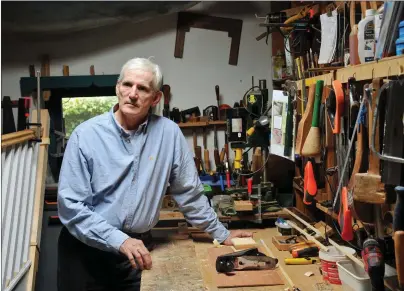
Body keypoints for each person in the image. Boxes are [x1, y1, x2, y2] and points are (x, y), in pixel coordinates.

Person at [57, 57, 253, 291]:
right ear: (117, 88)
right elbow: (71, 206)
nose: (132, 94)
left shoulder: (168, 134)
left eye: (142, 88)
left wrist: (222, 234)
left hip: (134, 254)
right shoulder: (85, 135)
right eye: (127, 85)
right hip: (85, 253)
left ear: (156, 98)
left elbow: (189, 194)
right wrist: (120, 240)